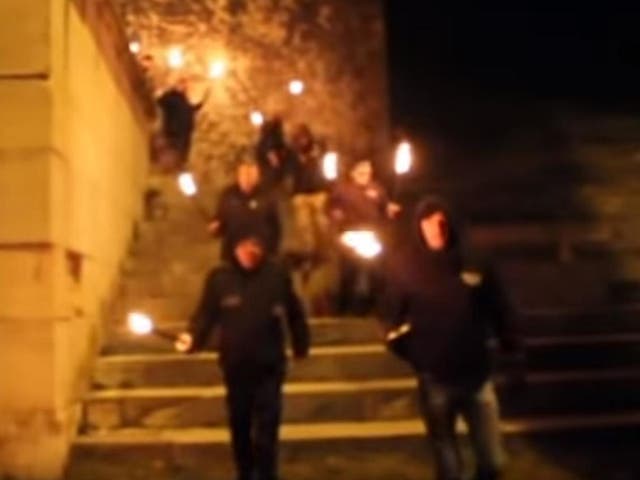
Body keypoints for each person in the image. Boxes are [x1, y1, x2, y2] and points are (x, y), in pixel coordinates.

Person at [380, 196, 524, 480]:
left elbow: (498, 305)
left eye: (441, 224)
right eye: (428, 224)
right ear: (419, 227)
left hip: (476, 375)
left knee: (492, 460)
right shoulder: (405, 265)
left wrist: (510, 342)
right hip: (435, 378)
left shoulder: (474, 260)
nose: (436, 231)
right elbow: (390, 318)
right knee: (448, 464)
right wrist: (414, 353)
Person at [175, 232, 310, 480]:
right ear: (235, 248)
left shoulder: (276, 276)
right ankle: (245, 473)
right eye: (245, 246)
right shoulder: (219, 279)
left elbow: (295, 312)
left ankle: (268, 474)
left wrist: (301, 344)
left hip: (269, 365)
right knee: (240, 424)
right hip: (236, 366)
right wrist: (193, 338)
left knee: (267, 426)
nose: (251, 251)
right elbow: (205, 315)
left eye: (256, 245)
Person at [326, 158, 400, 314]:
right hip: (351, 238)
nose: (365, 175)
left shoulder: (377, 189)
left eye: (368, 171)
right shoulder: (342, 190)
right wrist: (335, 214)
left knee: (375, 274)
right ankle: (343, 310)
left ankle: (374, 308)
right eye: (361, 171)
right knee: (349, 275)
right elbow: (330, 207)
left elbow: (384, 208)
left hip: (371, 239)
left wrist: (389, 210)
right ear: (353, 173)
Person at [208, 160, 281, 261]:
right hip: (232, 253)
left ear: (257, 177)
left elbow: (275, 227)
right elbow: (220, 219)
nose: (248, 179)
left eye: (251, 175)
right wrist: (216, 227)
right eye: (244, 175)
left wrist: (272, 252)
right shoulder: (228, 195)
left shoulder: (267, 196)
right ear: (238, 176)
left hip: (260, 254)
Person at [289, 124, 329, 260]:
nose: (302, 141)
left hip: (318, 192)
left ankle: (325, 251)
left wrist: (315, 154)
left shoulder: (318, 151)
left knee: (323, 223)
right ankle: (310, 252)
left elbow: (325, 152)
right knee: (304, 226)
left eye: (304, 137)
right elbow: (288, 168)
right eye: (299, 138)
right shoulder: (293, 154)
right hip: (301, 193)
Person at [157, 77, 209, 168]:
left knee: (178, 159)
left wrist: (205, 97)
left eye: (186, 86)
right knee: (172, 159)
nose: (185, 87)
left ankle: (177, 166)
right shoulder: (172, 97)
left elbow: (192, 109)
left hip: (182, 138)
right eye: (183, 84)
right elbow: (160, 102)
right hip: (173, 135)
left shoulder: (184, 101)